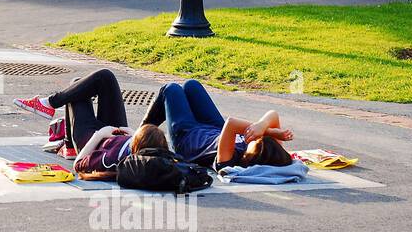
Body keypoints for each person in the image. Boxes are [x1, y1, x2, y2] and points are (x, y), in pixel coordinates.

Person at [15, 69, 166, 163]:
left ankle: (50, 107)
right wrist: (134, 135)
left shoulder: (116, 164)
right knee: (102, 78)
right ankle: (50, 106)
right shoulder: (157, 158)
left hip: (94, 142)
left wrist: (100, 135)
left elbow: (79, 165)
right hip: (119, 133)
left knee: (76, 85)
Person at [141, 79, 293, 168]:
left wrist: (269, 130)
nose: (254, 137)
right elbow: (273, 114)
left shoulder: (228, 161)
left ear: (249, 157)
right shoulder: (272, 152)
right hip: (215, 128)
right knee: (191, 85)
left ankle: (139, 137)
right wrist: (263, 125)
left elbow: (232, 124)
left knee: (171, 89)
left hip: (187, 137)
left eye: (254, 141)